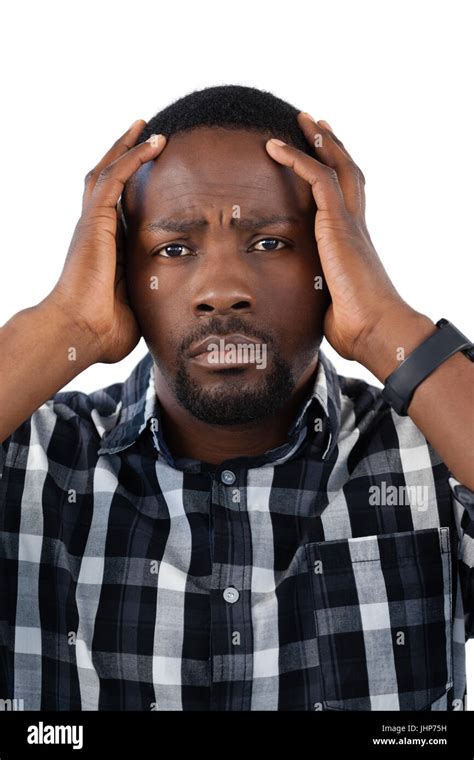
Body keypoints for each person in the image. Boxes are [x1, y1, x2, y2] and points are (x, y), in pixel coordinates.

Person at [0, 85, 472, 711]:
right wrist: (66, 325)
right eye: (172, 249)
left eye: (269, 242)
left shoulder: (435, 452)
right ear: (120, 275)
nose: (221, 290)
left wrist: (384, 324)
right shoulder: (29, 464)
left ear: (335, 263)